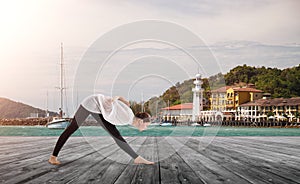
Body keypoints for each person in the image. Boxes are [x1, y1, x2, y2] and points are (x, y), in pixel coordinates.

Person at [48, 94, 154, 165]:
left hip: (99, 107)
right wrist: (115, 100)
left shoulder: (129, 117)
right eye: (147, 125)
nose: (146, 127)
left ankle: (136, 158)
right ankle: (53, 157)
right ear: (141, 121)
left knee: (116, 135)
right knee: (71, 129)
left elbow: (116, 100)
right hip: (92, 103)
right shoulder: (127, 117)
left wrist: (122, 100)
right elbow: (112, 104)